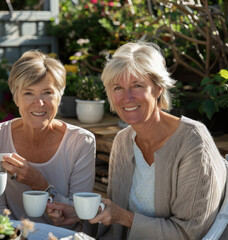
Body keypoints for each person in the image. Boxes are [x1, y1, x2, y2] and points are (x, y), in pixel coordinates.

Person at [46, 42, 227, 239]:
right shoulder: (123, 142)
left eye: (137, 85)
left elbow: (189, 232)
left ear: (158, 88)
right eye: (118, 88)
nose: (127, 97)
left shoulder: (193, 142)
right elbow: (115, 221)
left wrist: (126, 218)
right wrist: (81, 216)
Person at [0, 50, 96, 229]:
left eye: (47, 92)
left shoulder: (81, 142)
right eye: (28, 93)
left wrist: (40, 184)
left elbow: (77, 213)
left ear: (59, 96)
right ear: (16, 98)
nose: (39, 102)